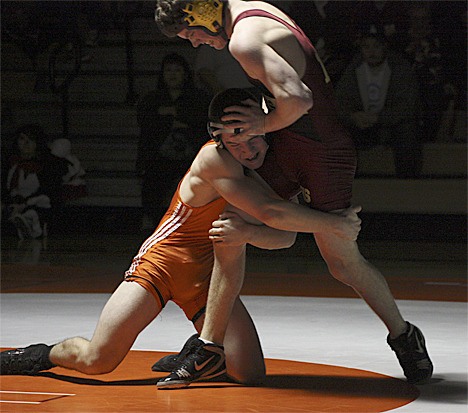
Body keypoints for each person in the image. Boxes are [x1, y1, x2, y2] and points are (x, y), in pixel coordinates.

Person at [154, 0, 433, 388]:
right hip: (289, 141)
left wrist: (263, 121)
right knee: (231, 227)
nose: (197, 44)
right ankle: (209, 346)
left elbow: (300, 100)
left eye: (192, 34)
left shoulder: (243, 40)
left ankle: (403, 334)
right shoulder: (252, 9)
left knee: (342, 263)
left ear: (199, 13)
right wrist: (263, 121)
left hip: (322, 151)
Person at [0, 89, 362, 388]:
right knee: (98, 361)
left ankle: (198, 348)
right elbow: (273, 214)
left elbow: (283, 238)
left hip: (206, 281)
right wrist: (335, 225)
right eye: (235, 142)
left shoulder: (268, 169)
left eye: (253, 137)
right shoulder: (213, 159)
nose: (248, 150)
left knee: (249, 374)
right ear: (217, 138)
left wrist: (251, 233)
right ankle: (39, 354)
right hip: (160, 266)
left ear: (266, 128)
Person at [334, 23, 422, 178]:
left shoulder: (400, 69)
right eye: (366, 47)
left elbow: (407, 105)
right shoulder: (353, 70)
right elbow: (340, 102)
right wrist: (354, 116)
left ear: (384, 47)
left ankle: (407, 181)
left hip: (390, 125)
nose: (371, 52)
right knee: (337, 131)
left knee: (408, 131)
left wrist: (380, 117)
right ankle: (345, 182)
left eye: (376, 46)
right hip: (360, 123)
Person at [136, 52, 211, 229]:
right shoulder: (152, 99)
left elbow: (200, 120)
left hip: (191, 155)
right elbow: (146, 123)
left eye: (177, 70)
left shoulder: (198, 98)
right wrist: (174, 120)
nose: (173, 74)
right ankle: (151, 224)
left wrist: (171, 114)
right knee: (153, 185)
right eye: (168, 70)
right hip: (159, 155)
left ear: (185, 74)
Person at [2, 123, 67, 239]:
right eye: (22, 139)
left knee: (35, 210)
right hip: (14, 204)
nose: (26, 143)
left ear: (38, 143)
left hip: (37, 205)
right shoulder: (10, 163)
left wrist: (24, 205)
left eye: (31, 139)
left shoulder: (46, 165)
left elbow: (49, 192)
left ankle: (30, 225)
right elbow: (3, 188)